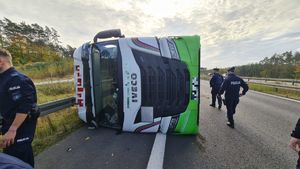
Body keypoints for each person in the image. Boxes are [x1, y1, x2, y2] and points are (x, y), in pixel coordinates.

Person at [0, 48, 38, 167]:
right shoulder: (4, 79)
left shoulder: (16, 79)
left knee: (20, 160)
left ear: (1, 62)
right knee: (11, 156)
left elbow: (25, 105)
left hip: (20, 128)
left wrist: (12, 129)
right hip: (9, 126)